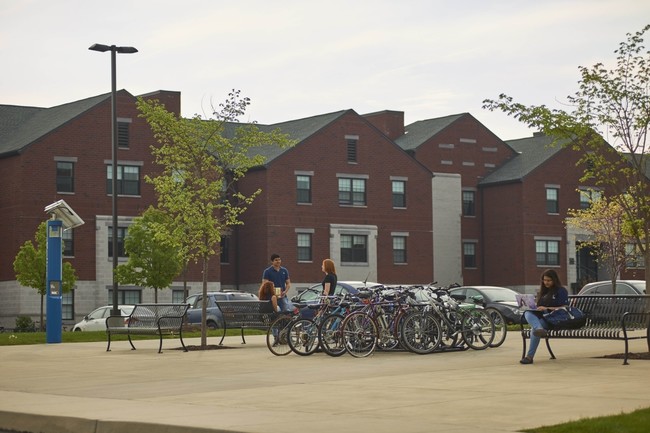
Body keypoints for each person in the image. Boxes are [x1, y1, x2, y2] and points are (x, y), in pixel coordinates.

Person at [520, 269, 569, 365]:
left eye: (549, 280)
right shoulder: (543, 292)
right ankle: (539, 328)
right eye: (544, 280)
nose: (546, 282)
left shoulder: (561, 291)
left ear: (554, 280)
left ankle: (529, 357)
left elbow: (565, 307)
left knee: (534, 330)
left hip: (554, 319)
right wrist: (534, 307)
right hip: (542, 318)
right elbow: (539, 307)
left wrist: (547, 308)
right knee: (527, 312)